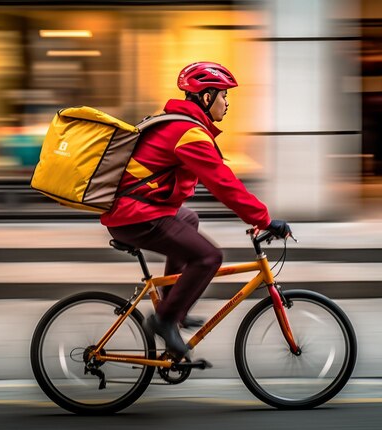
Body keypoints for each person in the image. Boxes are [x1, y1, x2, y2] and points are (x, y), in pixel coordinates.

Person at [101, 61, 292, 358]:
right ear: (206, 97)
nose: (226, 103)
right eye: (223, 96)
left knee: (188, 218)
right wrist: (264, 219)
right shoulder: (188, 132)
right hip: (136, 215)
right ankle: (164, 319)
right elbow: (223, 183)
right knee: (209, 257)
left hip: (138, 210)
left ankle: (173, 308)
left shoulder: (180, 123)